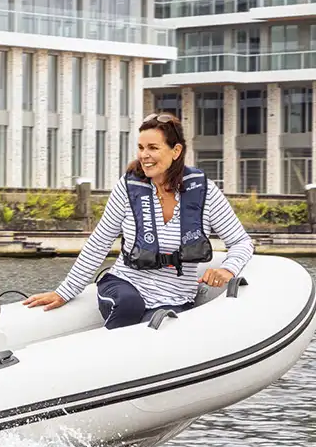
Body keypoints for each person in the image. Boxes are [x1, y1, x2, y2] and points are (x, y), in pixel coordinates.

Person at [23, 113, 254, 328]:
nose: (144, 155)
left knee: (158, 324)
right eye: (141, 148)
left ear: (176, 151)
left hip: (175, 296)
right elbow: (99, 243)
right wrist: (64, 292)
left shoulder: (204, 191)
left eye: (153, 148)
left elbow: (242, 242)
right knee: (129, 305)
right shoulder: (128, 188)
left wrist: (228, 270)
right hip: (123, 284)